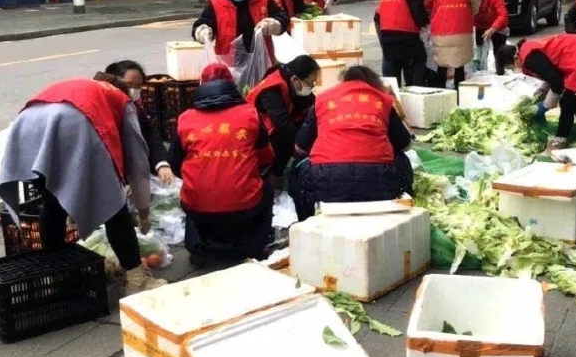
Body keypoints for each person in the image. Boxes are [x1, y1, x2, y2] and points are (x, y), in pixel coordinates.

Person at [0, 74, 166, 295]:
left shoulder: (88, 88)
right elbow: (138, 161)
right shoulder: (123, 101)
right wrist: (144, 212)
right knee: (114, 207)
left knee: (52, 203)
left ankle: (56, 277)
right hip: (72, 122)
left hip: (26, 125)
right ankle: (137, 280)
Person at [168, 63, 275, 265]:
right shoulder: (250, 114)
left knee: (193, 189)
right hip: (244, 204)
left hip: (198, 207)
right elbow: (267, 156)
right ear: (232, 85)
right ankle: (257, 246)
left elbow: (175, 163)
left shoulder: (185, 119)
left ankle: (198, 248)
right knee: (266, 188)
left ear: (201, 85)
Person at [290, 65, 414, 220]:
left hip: (324, 180)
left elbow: (301, 146)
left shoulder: (323, 98)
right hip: (379, 180)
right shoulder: (382, 99)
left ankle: (306, 220)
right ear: (373, 82)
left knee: (297, 166)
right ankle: (402, 213)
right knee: (402, 159)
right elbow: (404, 143)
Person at [496, 35, 576, 153]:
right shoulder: (526, 50)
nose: (514, 69)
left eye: (511, 67)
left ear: (515, 58)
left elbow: (557, 81)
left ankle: (559, 141)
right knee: (573, 96)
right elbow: (550, 74)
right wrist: (542, 91)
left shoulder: (529, 58)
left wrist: (545, 105)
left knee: (567, 101)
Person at [247, 55, 320, 183]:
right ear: (295, 79)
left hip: (275, 128)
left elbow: (314, 107)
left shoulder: (295, 83)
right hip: (257, 135)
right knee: (284, 140)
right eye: (310, 83)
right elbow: (283, 124)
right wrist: (301, 145)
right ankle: (273, 178)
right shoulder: (271, 90)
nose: (311, 88)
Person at [105, 60, 174, 184]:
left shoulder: (135, 106)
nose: (133, 90)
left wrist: (161, 163)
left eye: (138, 86)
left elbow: (149, 132)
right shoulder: (104, 106)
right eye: (128, 84)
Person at [375, 0, 430, 87]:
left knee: (390, 59)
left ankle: (391, 93)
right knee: (419, 58)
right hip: (406, 28)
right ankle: (416, 90)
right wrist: (424, 22)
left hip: (385, 26)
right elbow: (415, 4)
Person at [425, 0, 480, 88]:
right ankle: (459, 93)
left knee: (442, 64)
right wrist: (467, 13)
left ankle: (442, 93)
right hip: (463, 28)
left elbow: (427, 2)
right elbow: (476, 3)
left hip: (440, 28)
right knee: (460, 65)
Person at [474, 0, 510, 75]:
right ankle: (479, 71)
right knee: (478, 49)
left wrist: (492, 29)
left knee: (499, 51)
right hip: (479, 25)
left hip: (497, 26)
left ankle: (500, 71)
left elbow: (502, 15)